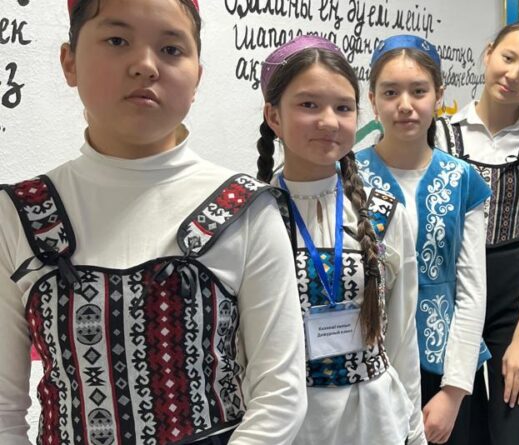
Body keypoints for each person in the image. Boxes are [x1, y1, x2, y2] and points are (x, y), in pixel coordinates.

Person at [0, 1, 308, 444]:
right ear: (69, 62)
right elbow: (5, 409)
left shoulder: (245, 207)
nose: (145, 65)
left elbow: (280, 395)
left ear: (197, 77)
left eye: (170, 49)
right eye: (117, 40)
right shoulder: (19, 214)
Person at [255, 35, 426, 445]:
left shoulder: (385, 214)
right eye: (308, 104)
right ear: (274, 116)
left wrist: (414, 430)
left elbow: (403, 335)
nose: (329, 121)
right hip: (287, 426)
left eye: (344, 108)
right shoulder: (251, 216)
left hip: (375, 422)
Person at [435, 20, 519, 445]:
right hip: (451, 290)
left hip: (515, 293)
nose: (513, 75)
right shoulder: (442, 134)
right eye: (508, 58)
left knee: (516, 428)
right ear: (489, 52)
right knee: (454, 424)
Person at [356, 35, 491, 445]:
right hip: (367, 366)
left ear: (439, 96)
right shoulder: (347, 176)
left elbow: (471, 290)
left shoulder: (463, 179)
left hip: (443, 369)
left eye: (418, 91)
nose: (405, 105)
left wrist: (454, 391)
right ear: (372, 100)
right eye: (390, 92)